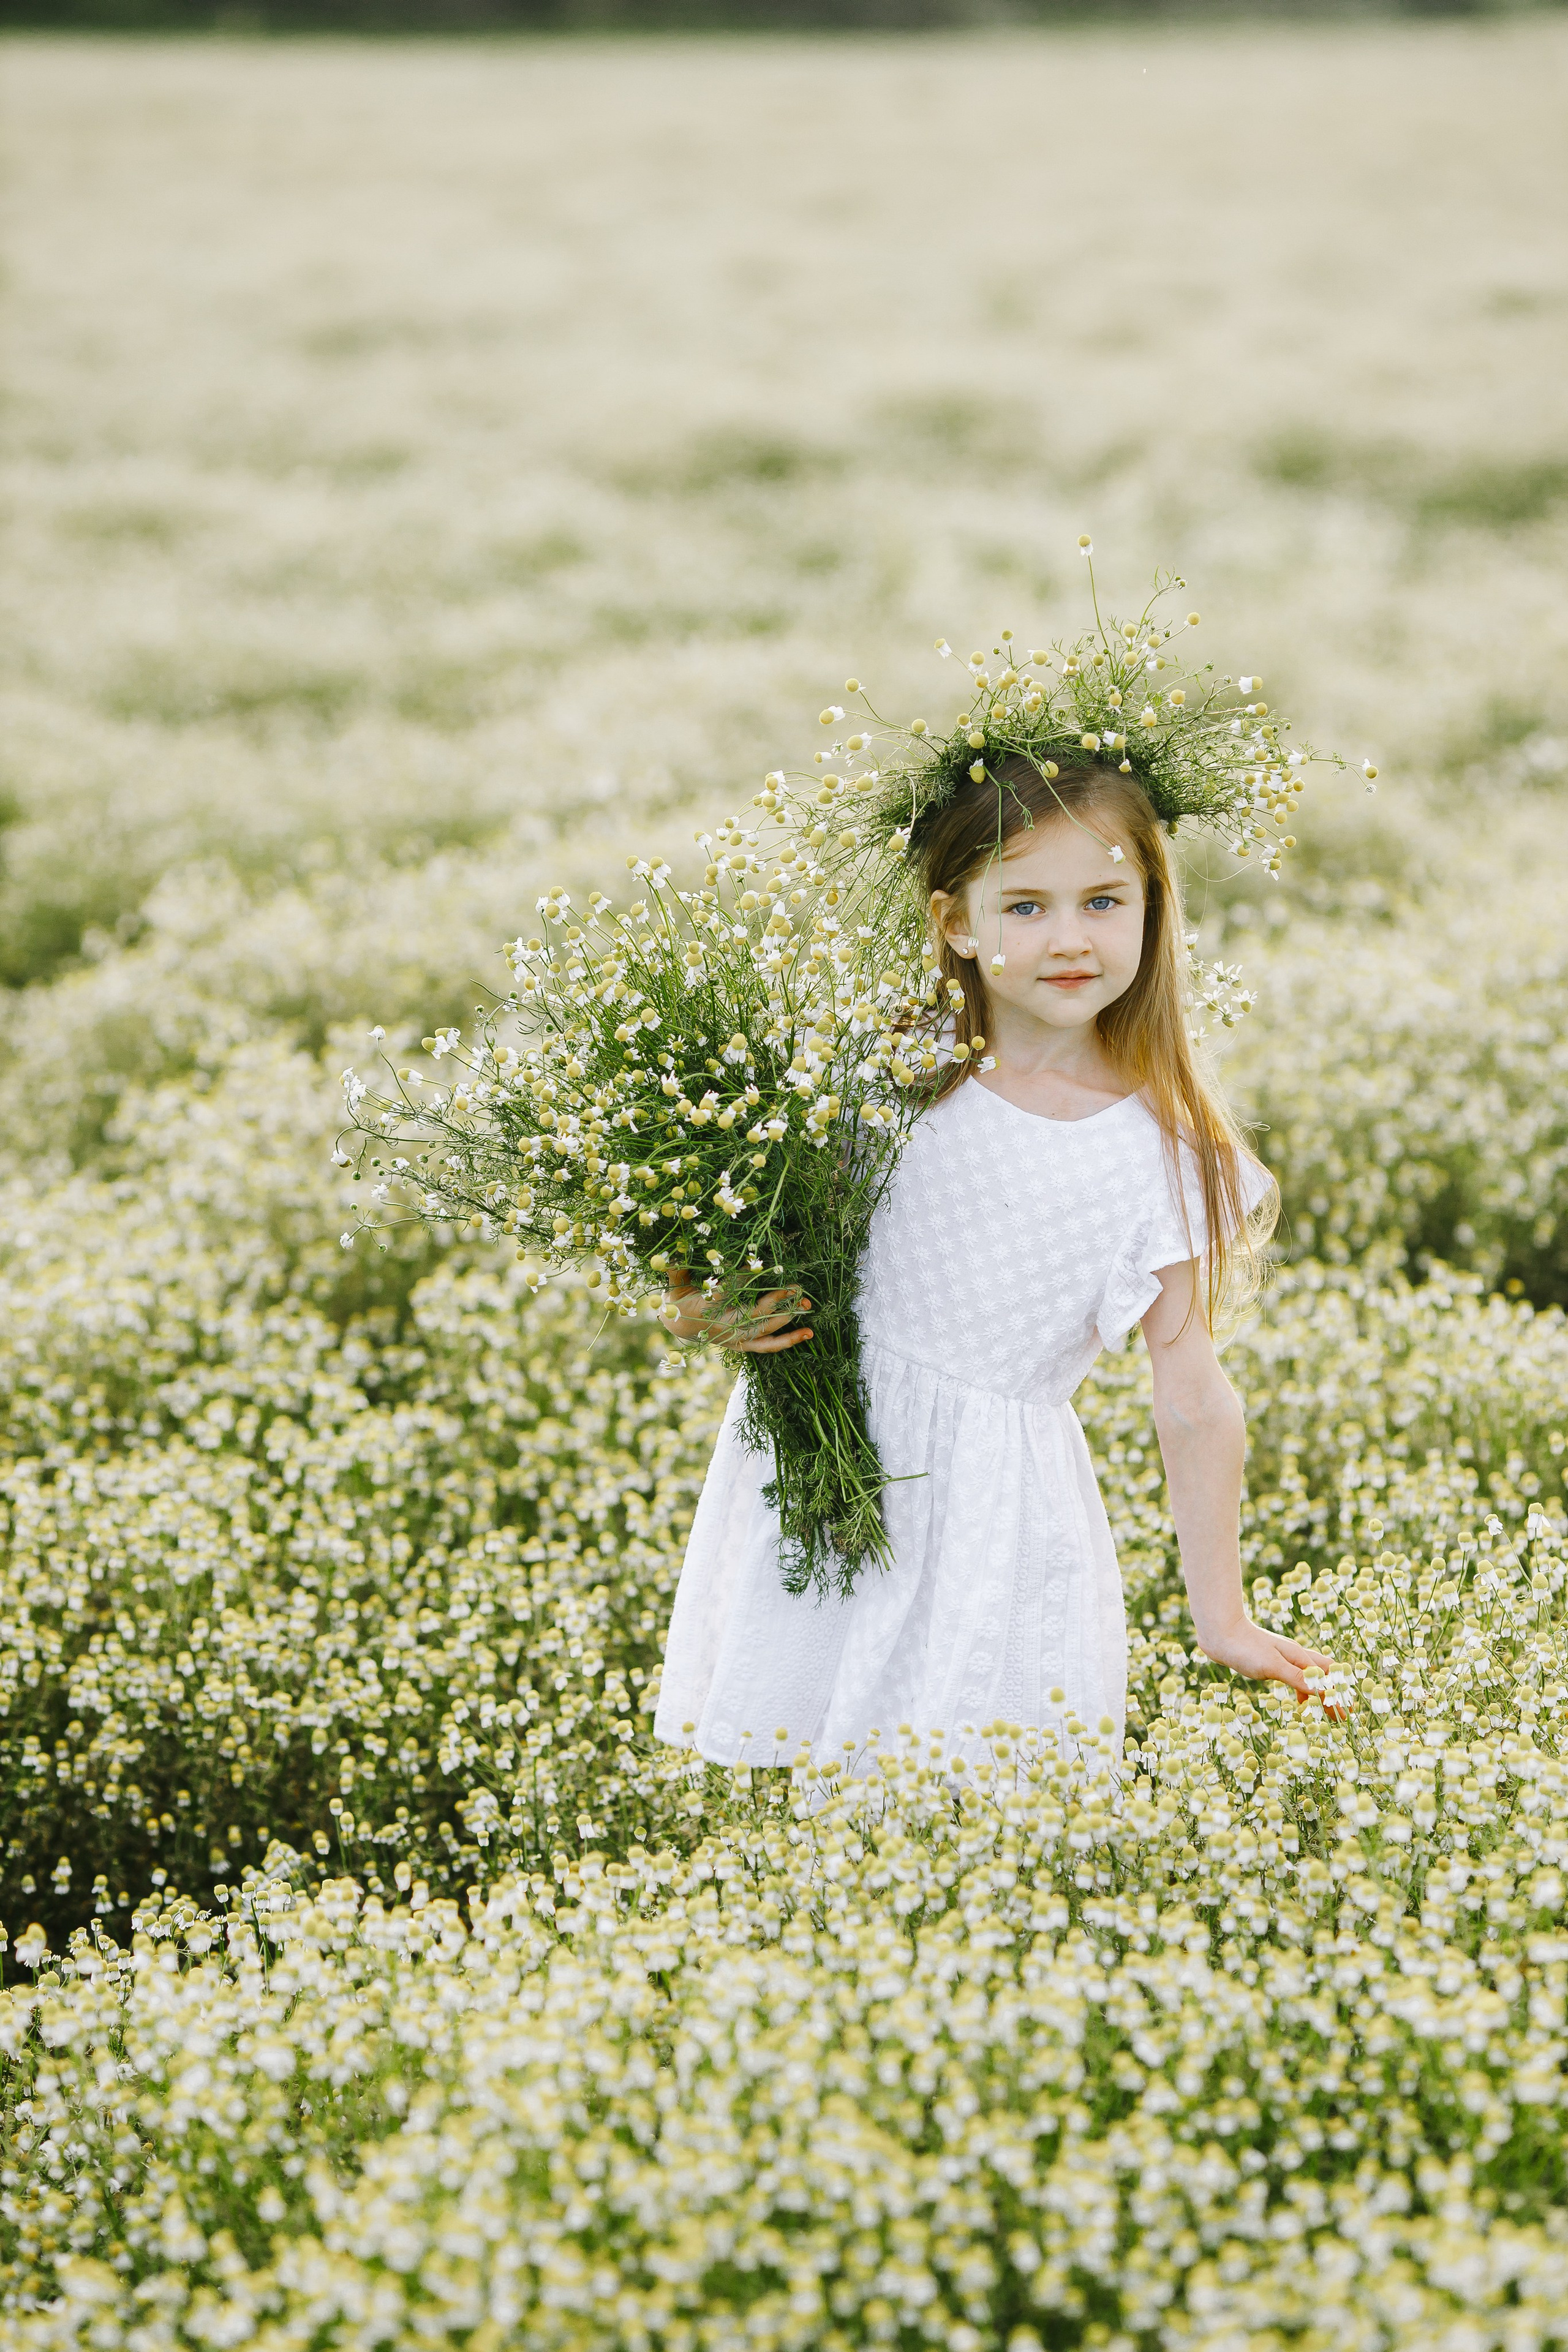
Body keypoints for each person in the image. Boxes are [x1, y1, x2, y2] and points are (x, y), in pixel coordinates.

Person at [652, 755, 1333, 1768]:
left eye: (1104, 900)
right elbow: (745, 1244)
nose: (1070, 938)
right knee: (793, 1783)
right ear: (958, 924)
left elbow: (1193, 1398)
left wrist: (1222, 1616)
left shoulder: (1170, 1152)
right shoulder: (875, 1074)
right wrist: (698, 1307)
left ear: (1154, 909)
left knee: (965, 1802)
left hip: (994, 1524)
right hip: (822, 1487)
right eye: (1026, 905)